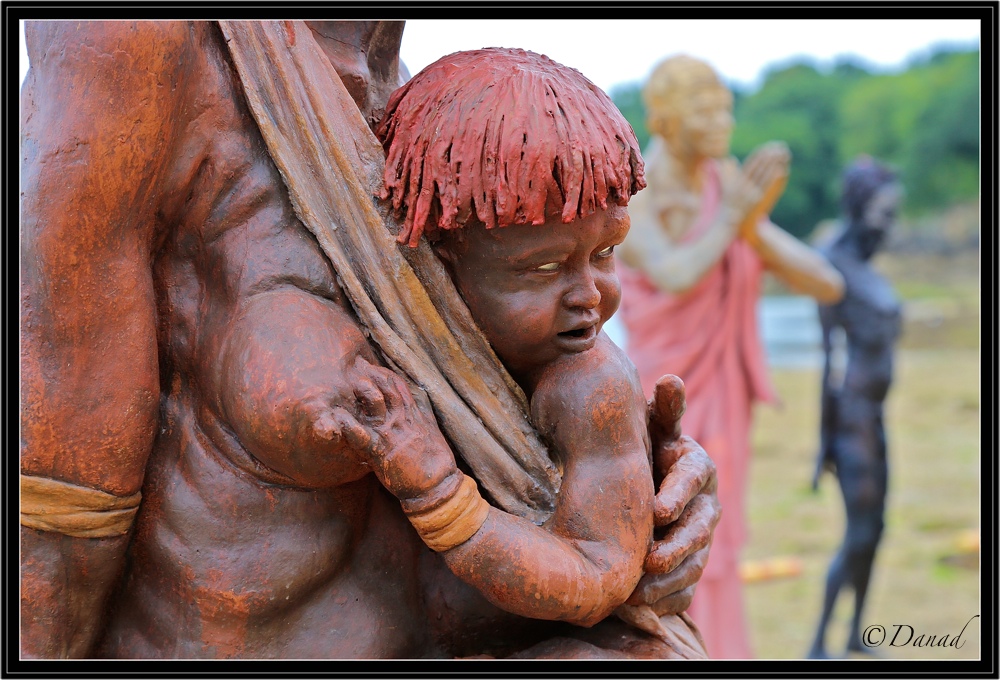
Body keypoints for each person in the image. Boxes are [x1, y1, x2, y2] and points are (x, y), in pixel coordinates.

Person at [20, 21, 718, 660]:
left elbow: (583, 538)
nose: (589, 291)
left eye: (604, 256)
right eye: (545, 266)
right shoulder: (137, 41)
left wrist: (633, 493)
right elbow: (51, 494)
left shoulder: (438, 106)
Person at [615, 54, 845, 658]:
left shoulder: (727, 184)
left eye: (725, 106)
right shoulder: (635, 190)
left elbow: (826, 283)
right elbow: (674, 273)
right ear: (662, 120)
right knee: (669, 530)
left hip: (727, 391)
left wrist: (749, 223)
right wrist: (736, 216)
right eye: (703, 107)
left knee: (718, 534)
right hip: (665, 395)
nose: (721, 120)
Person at [807, 157, 903, 659]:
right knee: (859, 529)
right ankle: (820, 643)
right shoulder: (832, 265)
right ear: (859, 207)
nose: (890, 223)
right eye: (883, 212)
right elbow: (830, 360)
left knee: (878, 529)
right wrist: (823, 443)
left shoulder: (866, 266)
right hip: (851, 421)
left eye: (895, 213)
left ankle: (855, 634)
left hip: (875, 418)